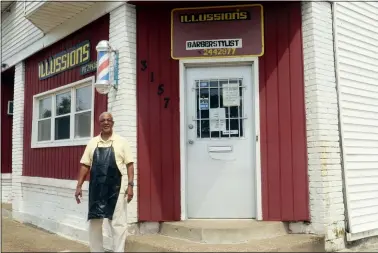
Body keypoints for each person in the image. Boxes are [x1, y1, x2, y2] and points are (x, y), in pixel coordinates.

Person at [75, 112, 134, 252]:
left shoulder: (122, 142)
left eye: (109, 120)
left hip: (117, 189)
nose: (106, 122)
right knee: (95, 223)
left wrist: (131, 185)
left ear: (113, 123)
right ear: (99, 123)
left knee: (118, 225)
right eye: (103, 120)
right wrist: (78, 186)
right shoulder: (92, 142)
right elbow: (85, 165)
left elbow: (130, 165)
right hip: (96, 190)